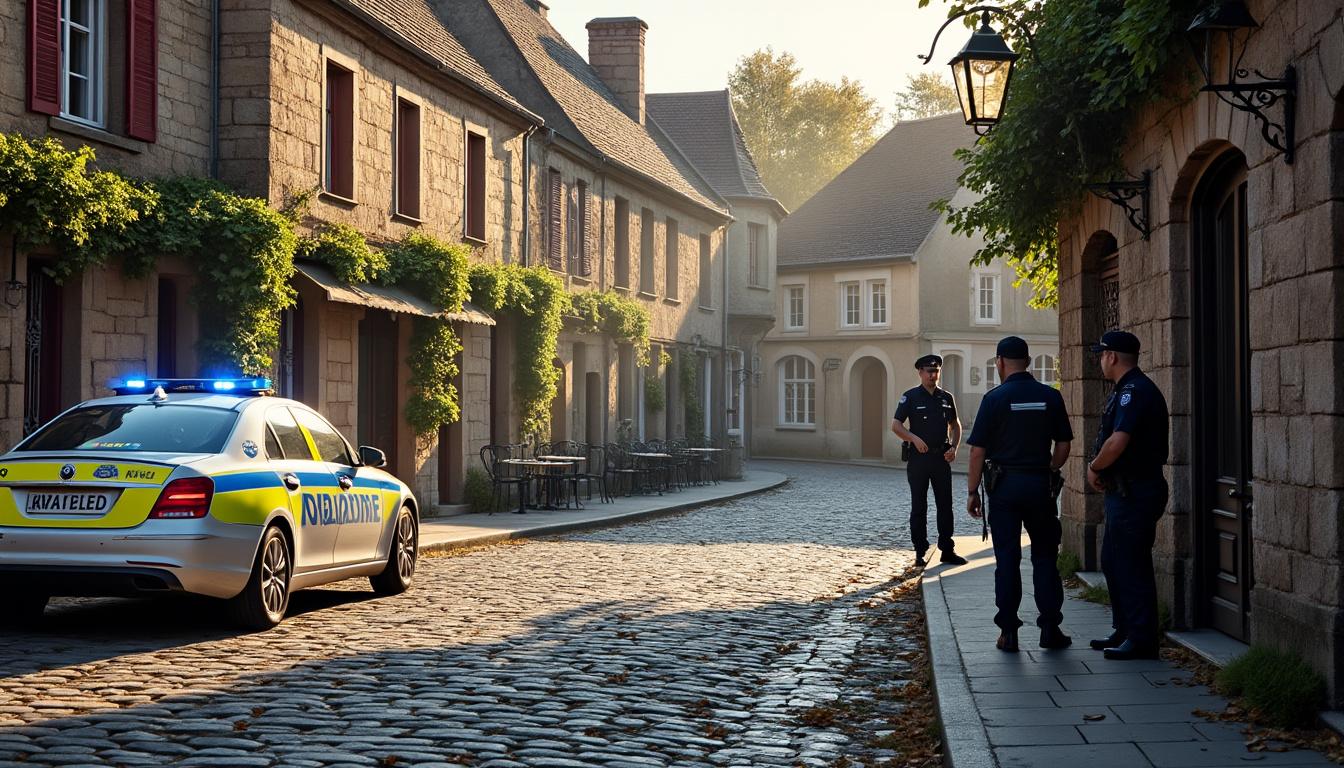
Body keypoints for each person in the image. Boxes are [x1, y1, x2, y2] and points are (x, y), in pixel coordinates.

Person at [966, 336, 1073, 652]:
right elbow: (1064, 444)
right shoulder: (1049, 397)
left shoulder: (994, 399)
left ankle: (1008, 633)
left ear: (1000, 362)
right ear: (1027, 362)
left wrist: (972, 492)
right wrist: (1049, 469)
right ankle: (1050, 629)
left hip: (1005, 489)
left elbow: (977, 452)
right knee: (1045, 558)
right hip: (1039, 486)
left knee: (1008, 560)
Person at [1086, 330, 1170, 660]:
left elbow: (1117, 442)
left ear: (1112, 356)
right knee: (1113, 561)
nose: (1099, 361)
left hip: (1136, 491)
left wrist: (1094, 467)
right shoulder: (1125, 390)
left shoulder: (1133, 391)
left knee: (1131, 564)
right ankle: (1125, 628)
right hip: (1124, 491)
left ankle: (1142, 638)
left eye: (1101, 355)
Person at [892, 354, 967, 568]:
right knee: (919, 506)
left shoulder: (946, 397)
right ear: (920, 373)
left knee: (945, 505)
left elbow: (955, 424)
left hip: (941, 458)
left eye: (936, 371)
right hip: (919, 460)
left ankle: (947, 549)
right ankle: (919, 551)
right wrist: (913, 439)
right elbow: (896, 426)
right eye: (928, 371)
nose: (932, 375)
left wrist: (954, 447)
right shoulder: (911, 397)